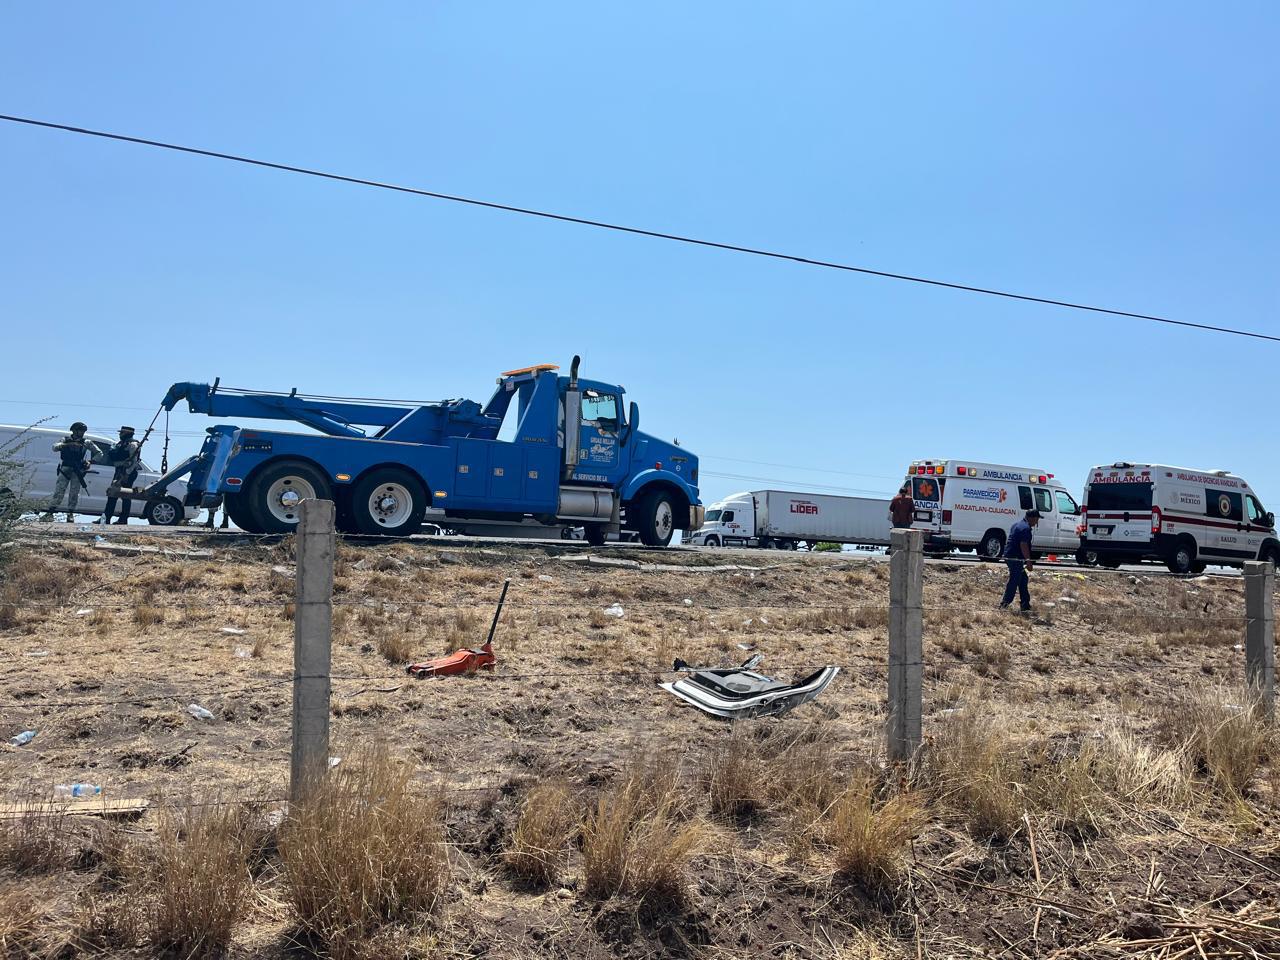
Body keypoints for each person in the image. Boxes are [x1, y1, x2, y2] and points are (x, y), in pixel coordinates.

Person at [40, 422, 95, 522]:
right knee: (59, 490)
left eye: (83, 431)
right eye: (80, 431)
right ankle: (51, 512)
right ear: (74, 431)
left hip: (77, 469)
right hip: (65, 468)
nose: (82, 433)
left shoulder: (86, 442)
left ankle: (70, 514)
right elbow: (54, 447)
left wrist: (89, 462)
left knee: (74, 492)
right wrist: (66, 445)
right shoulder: (65, 440)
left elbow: (99, 453)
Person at [1000, 509, 1040, 612]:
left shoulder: (1017, 524)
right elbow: (1023, 545)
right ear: (1032, 518)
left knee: (1023, 580)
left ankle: (1025, 605)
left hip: (1010, 556)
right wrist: (1028, 561)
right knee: (1014, 580)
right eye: (1037, 519)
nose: (1037, 522)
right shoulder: (1025, 528)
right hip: (1015, 558)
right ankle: (1004, 605)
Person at [100, 426, 141, 525]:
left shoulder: (133, 444)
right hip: (119, 470)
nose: (120, 434)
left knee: (126, 496)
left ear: (127, 433)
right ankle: (106, 518)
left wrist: (127, 474)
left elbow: (134, 461)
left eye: (122, 433)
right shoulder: (120, 444)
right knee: (112, 494)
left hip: (127, 472)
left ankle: (123, 519)